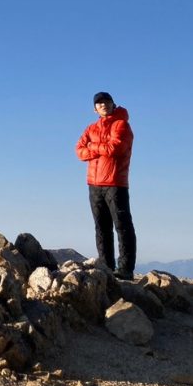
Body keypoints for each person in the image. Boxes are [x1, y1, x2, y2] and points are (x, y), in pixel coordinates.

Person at [75, 91, 136, 279]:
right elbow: (79, 151)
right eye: (99, 103)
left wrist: (93, 147)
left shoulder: (122, 125)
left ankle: (125, 270)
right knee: (101, 227)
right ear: (95, 109)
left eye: (106, 102)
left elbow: (115, 148)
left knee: (122, 226)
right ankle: (107, 267)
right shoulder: (91, 128)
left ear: (113, 104)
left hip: (115, 183)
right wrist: (99, 148)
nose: (103, 105)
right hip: (93, 183)